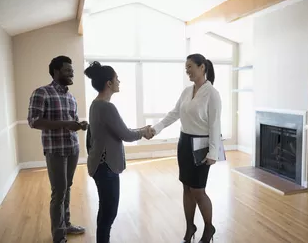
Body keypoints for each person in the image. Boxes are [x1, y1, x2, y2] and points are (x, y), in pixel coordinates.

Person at [151, 53, 222, 243]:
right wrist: (156, 128)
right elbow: (174, 114)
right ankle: (190, 227)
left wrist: (213, 152)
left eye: (190, 66)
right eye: (186, 68)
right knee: (186, 188)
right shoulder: (186, 91)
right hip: (184, 143)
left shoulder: (212, 94)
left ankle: (209, 228)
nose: (187, 70)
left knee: (198, 190)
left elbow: (215, 125)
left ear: (202, 68)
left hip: (201, 146)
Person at [84, 61, 153, 243]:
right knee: (109, 213)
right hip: (106, 166)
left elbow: (118, 130)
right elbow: (126, 134)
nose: (119, 82)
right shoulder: (106, 107)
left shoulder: (96, 104)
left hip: (100, 164)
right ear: (109, 83)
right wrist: (143, 132)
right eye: (117, 79)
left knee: (105, 210)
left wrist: (141, 129)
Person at [27, 55, 88, 243]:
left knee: (67, 188)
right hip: (55, 149)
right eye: (68, 70)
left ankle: (66, 224)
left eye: (72, 70)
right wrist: (65, 124)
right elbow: (34, 121)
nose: (72, 73)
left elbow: (71, 121)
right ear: (56, 71)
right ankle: (58, 234)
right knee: (59, 191)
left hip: (72, 148)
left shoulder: (70, 97)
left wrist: (79, 124)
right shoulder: (41, 92)